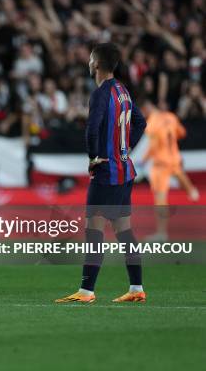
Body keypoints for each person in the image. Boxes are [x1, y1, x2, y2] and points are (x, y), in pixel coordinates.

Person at [56, 43, 147, 304]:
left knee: (93, 230)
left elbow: (91, 129)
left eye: (90, 58)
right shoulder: (123, 91)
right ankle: (136, 287)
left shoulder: (101, 93)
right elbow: (141, 122)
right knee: (124, 231)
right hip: (125, 170)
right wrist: (127, 147)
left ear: (95, 63)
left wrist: (93, 157)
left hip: (107, 172)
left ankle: (86, 291)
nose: (88, 62)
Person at [141, 100, 199, 242]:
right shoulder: (171, 117)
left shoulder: (152, 123)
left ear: (145, 109)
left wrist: (143, 159)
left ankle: (161, 234)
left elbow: (153, 146)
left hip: (161, 163)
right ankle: (192, 191)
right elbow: (182, 133)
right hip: (174, 158)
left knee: (160, 198)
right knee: (179, 173)